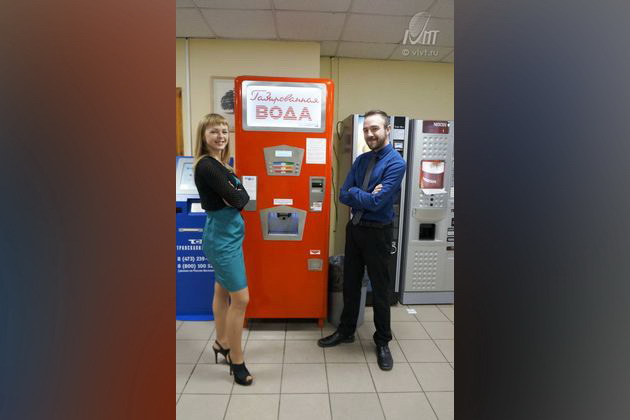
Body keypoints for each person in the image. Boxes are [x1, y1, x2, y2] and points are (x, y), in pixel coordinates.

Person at [318, 110, 406, 371]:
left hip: (378, 232)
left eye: (375, 128)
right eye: (366, 129)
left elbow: (377, 202)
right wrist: (362, 194)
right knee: (351, 283)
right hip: (355, 229)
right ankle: (346, 331)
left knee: (380, 289)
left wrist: (358, 194)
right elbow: (343, 194)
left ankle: (383, 341)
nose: (370, 134)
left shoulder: (396, 163)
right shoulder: (361, 160)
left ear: (387, 130)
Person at [194, 113, 253, 386]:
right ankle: (237, 361)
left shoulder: (220, 164)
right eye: (213, 131)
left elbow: (238, 197)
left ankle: (222, 342)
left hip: (227, 235)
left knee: (222, 290)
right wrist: (235, 192)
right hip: (222, 239)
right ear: (203, 136)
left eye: (224, 131)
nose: (220, 136)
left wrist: (235, 193)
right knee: (240, 299)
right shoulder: (208, 165)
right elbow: (241, 198)